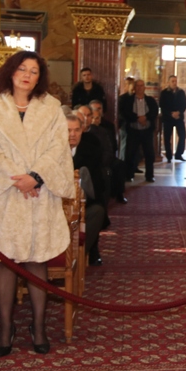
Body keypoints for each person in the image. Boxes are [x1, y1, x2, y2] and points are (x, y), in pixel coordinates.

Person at [0, 51, 75, 356]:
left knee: (37, 258)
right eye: (22, 69)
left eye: (34, 71)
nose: (27, 75)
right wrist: (18, 178)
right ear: (11, 72)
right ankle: (5, 328)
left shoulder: (51, 107)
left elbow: (58, 147)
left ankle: (38, 326)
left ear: (40, 78)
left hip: (40, 193)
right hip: (4, 193)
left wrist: (35, 177)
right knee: (6, 260)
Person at [66, 112, 106, 266]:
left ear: (82, 130)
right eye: (68, 130)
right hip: (56, 205)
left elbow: (96, 186)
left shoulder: (91, 151)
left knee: (98, 211)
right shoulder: (52, 152)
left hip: (83, 203)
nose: (72, 134)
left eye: (76, 130)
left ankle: (79, 258)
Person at [118, 78, 158, 183]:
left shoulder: (150, 100)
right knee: (130, 153)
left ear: (144, 87)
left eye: (141, 85)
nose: (140, 88)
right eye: (138, 86)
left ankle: (149, 175)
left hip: (147, 131)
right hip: (133, 130)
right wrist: (137, 118)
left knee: (149, 154)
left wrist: (146, 117)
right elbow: (125, 112)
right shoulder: (129, 100)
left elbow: (154, 111)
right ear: (135, 88)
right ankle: (129, 175)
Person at [160, 75, 186, 162]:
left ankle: (179, 154)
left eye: (175, 81)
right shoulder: (164, 93)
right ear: (169, 82)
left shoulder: (181, 92)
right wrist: (170, 113)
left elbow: (184, 104)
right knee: (167, 137)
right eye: (172, 81)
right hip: (168, 118)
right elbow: (162, 105)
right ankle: (169, 156)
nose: (174, 83)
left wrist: (179, 112)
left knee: (182, 135)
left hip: (179, 117)